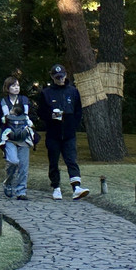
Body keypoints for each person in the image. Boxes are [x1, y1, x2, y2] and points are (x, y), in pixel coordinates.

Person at [37, 64, 89, 200]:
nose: (60, 79)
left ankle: (76, 186)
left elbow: (78, 110)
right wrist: (51, 116)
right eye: (57, 77)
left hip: (69, 132)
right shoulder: (46, 93)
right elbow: (41, 113)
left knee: (71, 159)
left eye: (62, 77)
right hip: (53, 133)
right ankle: (56, 187)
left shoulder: (73, 91)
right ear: (52, 77)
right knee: (53, 161)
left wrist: (73, 125)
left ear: (66, 75)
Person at [0, 75, 33, 200]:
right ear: (7, 88)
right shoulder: (2, 102)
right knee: (13, 161)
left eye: (18, 85)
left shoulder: (25, 101)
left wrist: (29, 125)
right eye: (13, 86)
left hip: (24, 137)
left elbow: (32, 115)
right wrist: (2, 127)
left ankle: (21, 191)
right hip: (8, 137)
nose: (16, 88)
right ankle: (8, 183)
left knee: (24, 165)